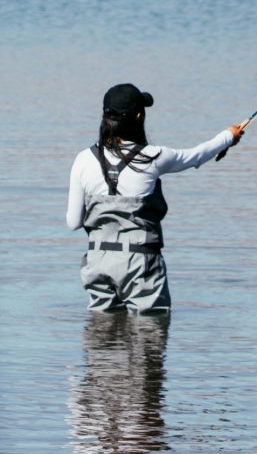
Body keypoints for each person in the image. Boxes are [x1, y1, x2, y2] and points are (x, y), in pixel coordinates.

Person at [66, 83, 246, 313]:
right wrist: (228, 136)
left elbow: (73, 223)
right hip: (140, 262)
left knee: (102, 336)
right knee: (149, 337)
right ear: (139, 116)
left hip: (97, 261)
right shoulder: (154, 157)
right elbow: (196, 155)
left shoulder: (83, 159)